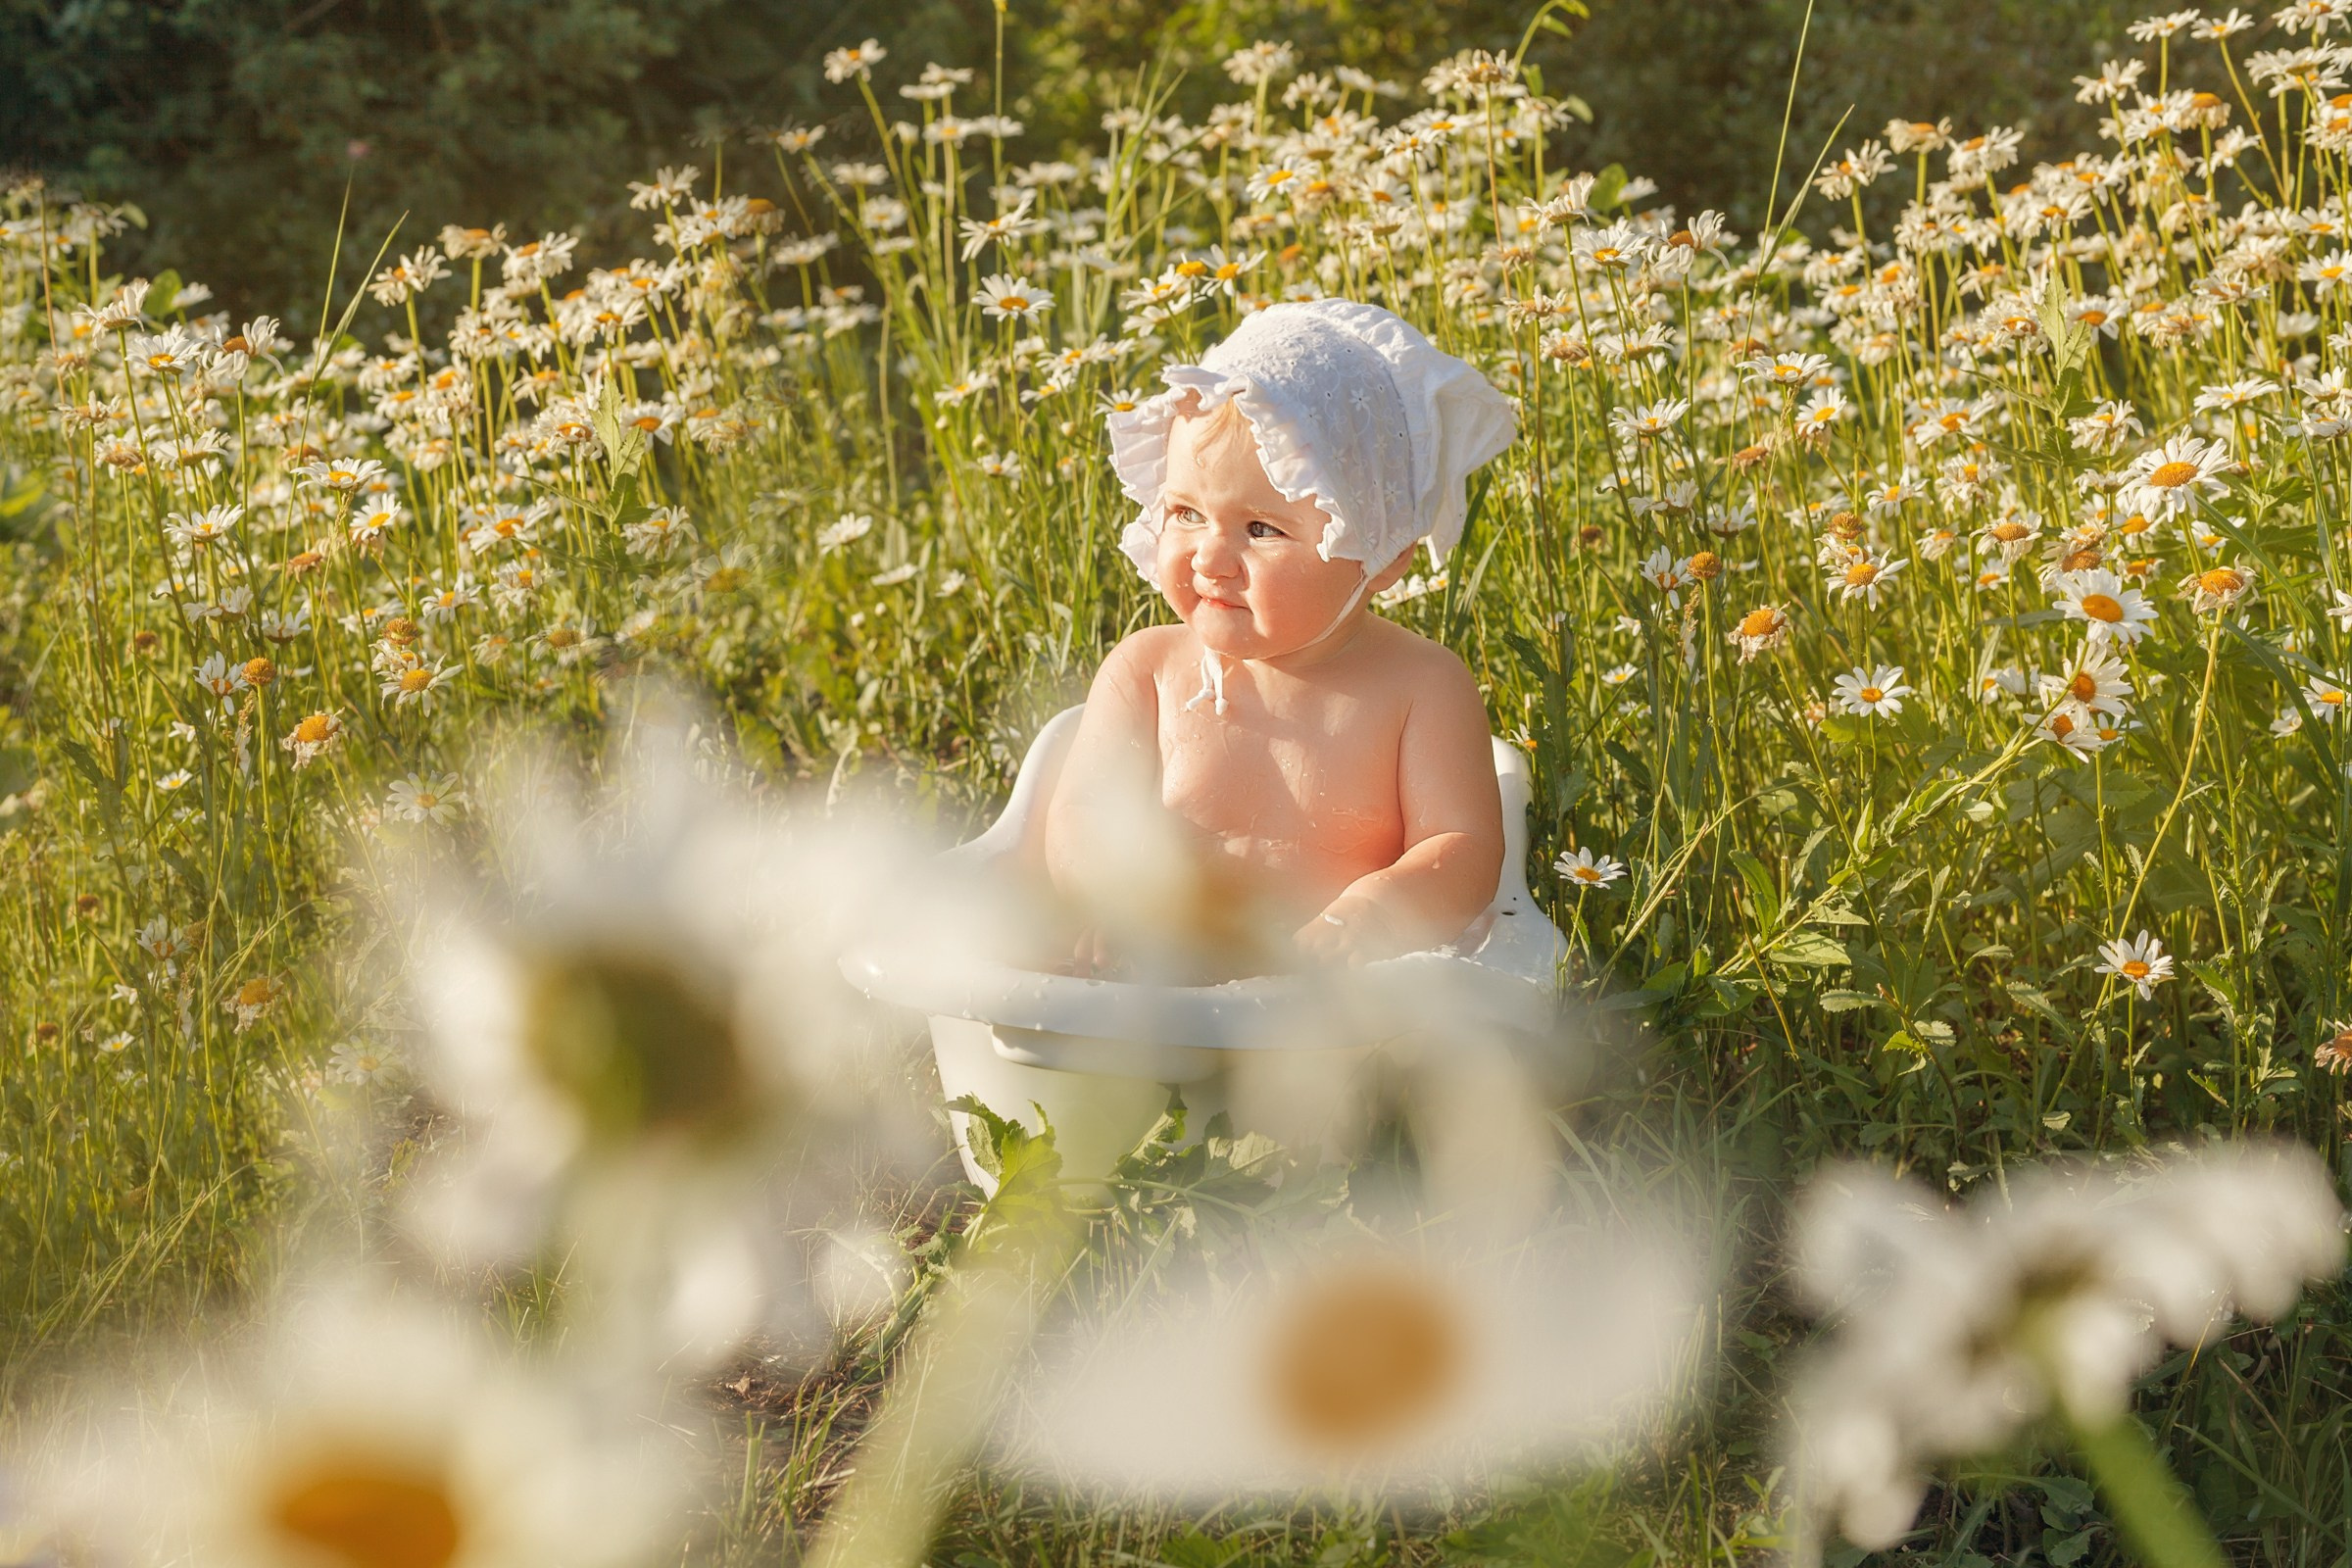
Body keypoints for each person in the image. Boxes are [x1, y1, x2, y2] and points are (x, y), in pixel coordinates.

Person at [1040, 299, 1517, 980]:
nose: (1211, 558)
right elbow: (1081, 814)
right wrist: (1118, 900)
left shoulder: (1422, 688)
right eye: (1186, 513)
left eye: (1261, 529)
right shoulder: (1147, 672)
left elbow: (1463, 847)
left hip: (1326, 1002)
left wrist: (1376, 914)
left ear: (1381, 552)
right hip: (1152, 983)